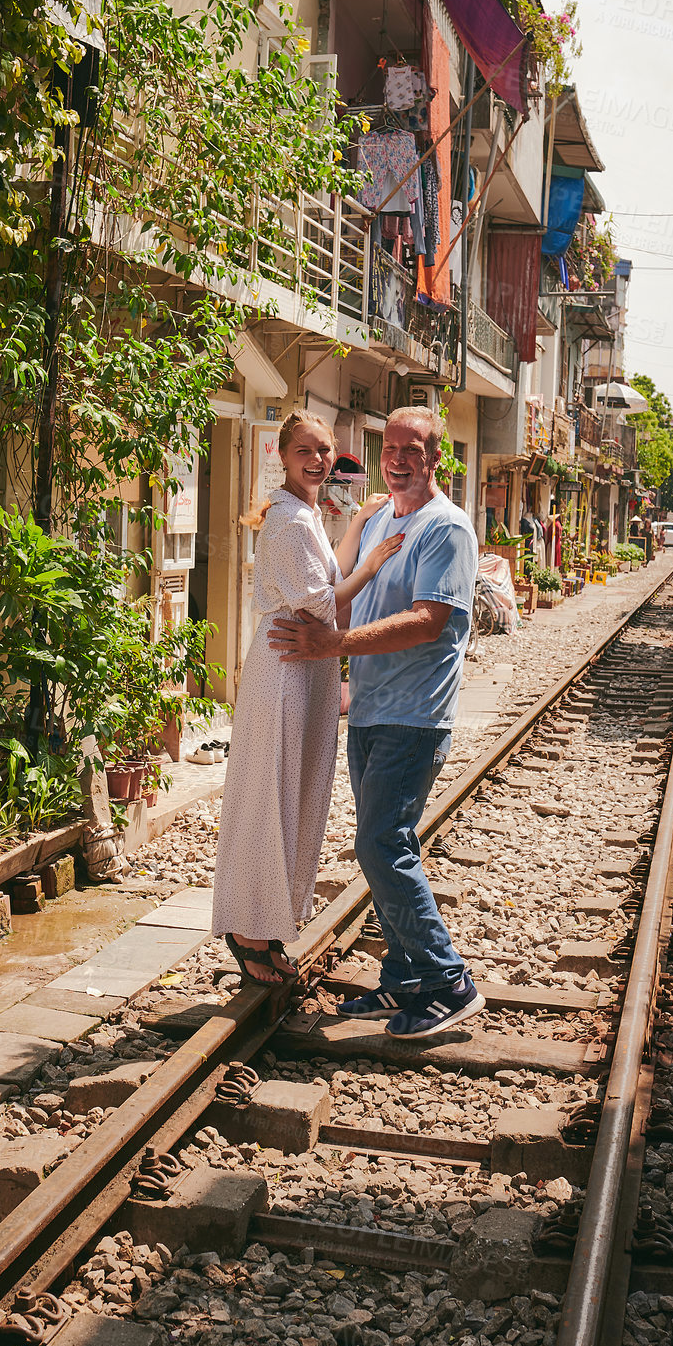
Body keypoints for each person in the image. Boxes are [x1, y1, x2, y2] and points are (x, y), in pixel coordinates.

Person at [269, 407, 483, 1036]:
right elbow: (344, 589)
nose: (396, 458)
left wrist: (331, 649)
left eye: (410, 448)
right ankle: (405, 979)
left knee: (381, 843)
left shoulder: (446, 529)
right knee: (381, 845)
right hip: (368, 709)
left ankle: (448, 979)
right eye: (387, 447)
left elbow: (428, 621)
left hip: (414, 715)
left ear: (434, 457)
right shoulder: (382, 519)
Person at [212, 411, 403, 985]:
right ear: (284, 454)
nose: (319, 460)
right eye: (307, 451)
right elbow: (325, 602)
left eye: (326, 451)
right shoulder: (289, 521)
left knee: (293, 795)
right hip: (286, 670)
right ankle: (248, 930)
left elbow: (326, 578)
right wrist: (372, 563)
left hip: (307, 667)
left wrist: (357, 527)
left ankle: (265, 926)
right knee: (271, 795)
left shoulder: (305, 514)